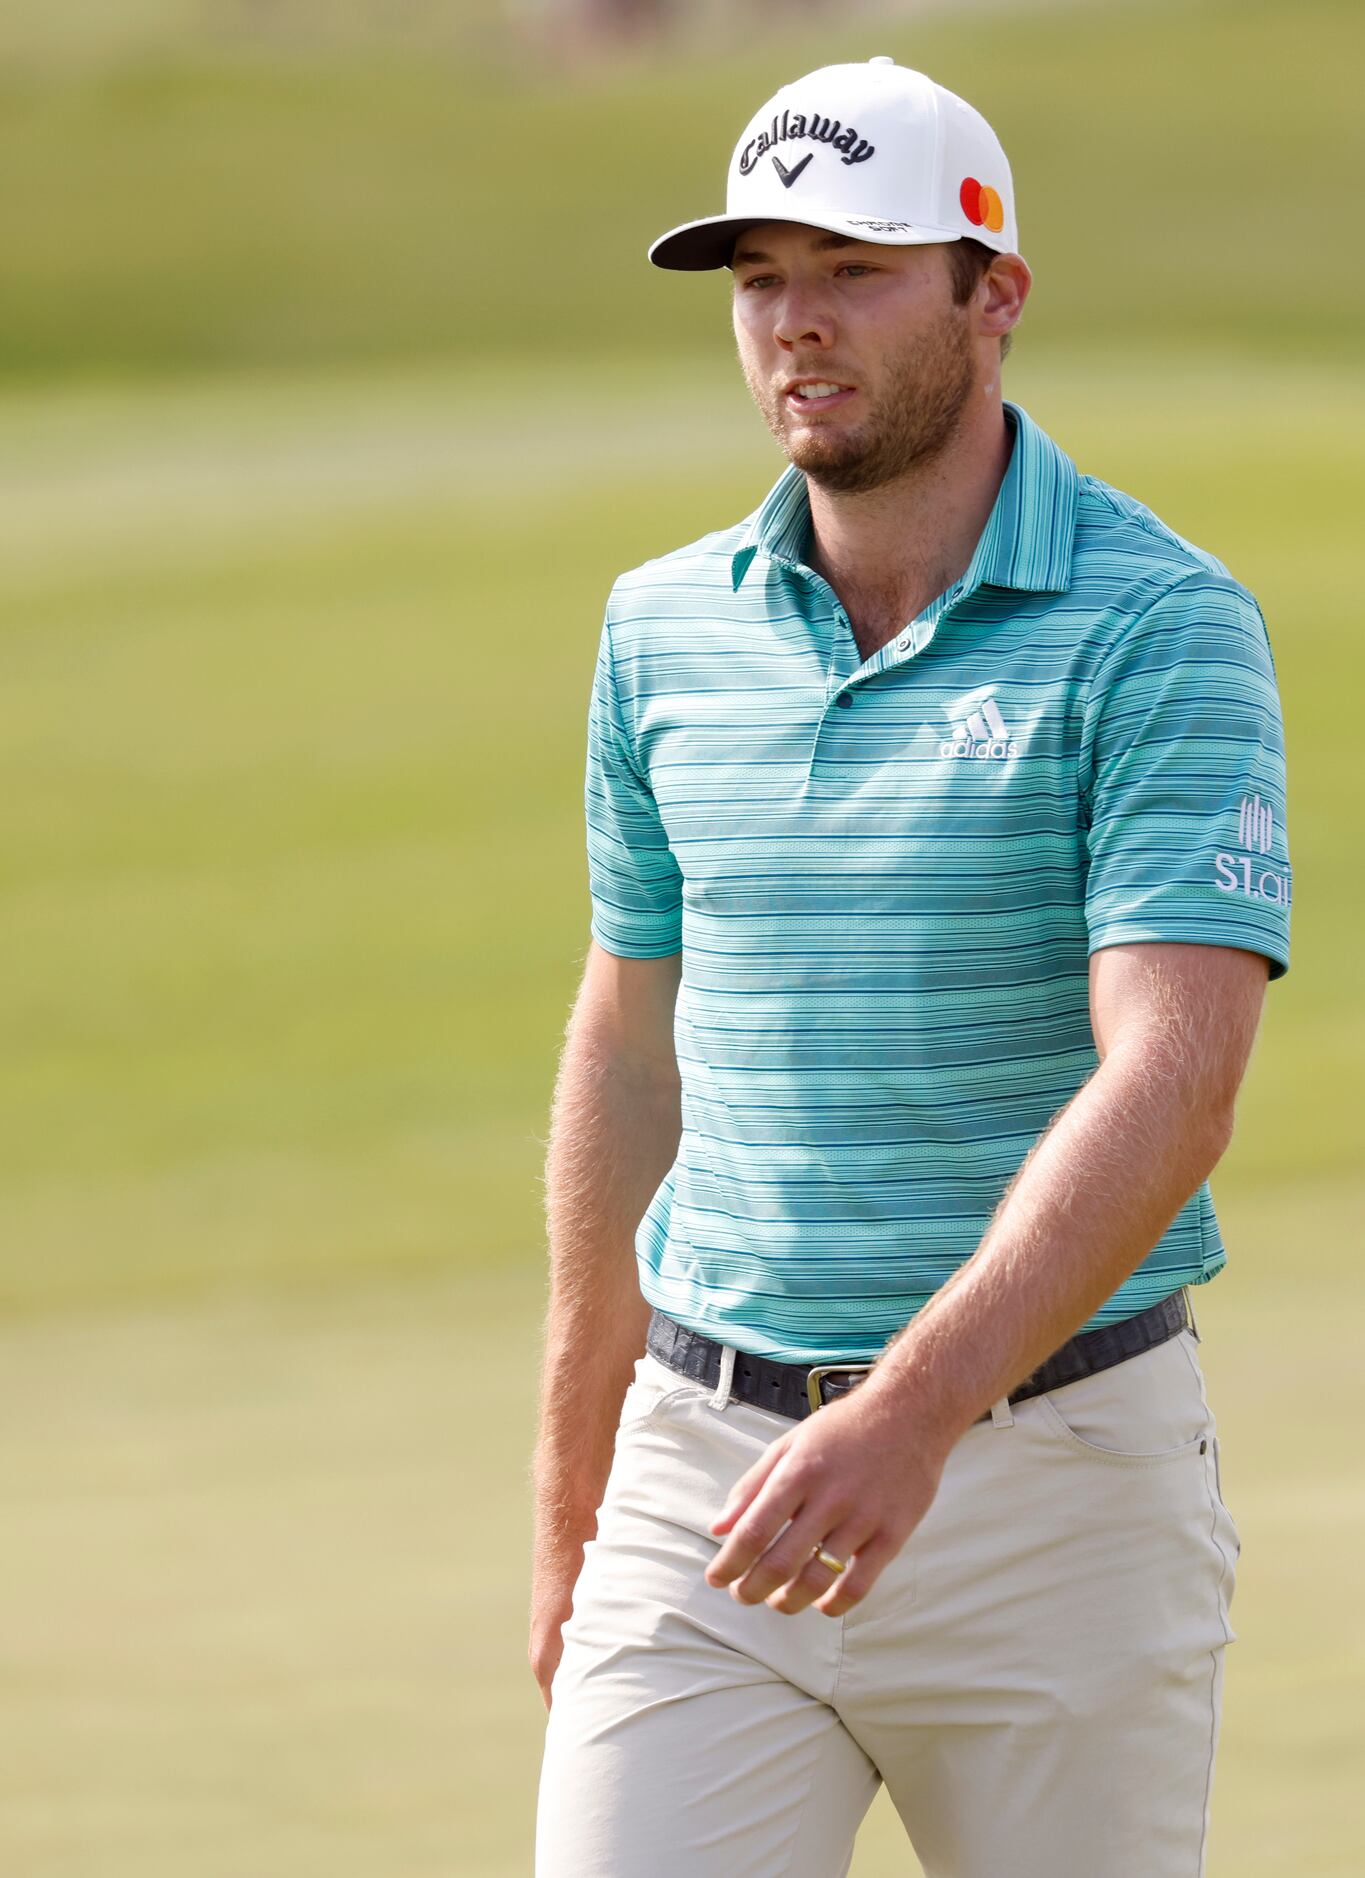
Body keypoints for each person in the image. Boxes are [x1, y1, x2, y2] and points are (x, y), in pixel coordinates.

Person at [530, 57, 1291, 1877]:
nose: (794, 323)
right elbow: (629, 1050)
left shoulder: (1160, 627)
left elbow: (1171, 1076)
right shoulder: (659, 631)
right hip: (702, 1479)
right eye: (757, 279)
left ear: (992, 292)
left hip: (1051, 1491)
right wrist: (573, 1493)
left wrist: (911, 1412)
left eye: (853, 269)